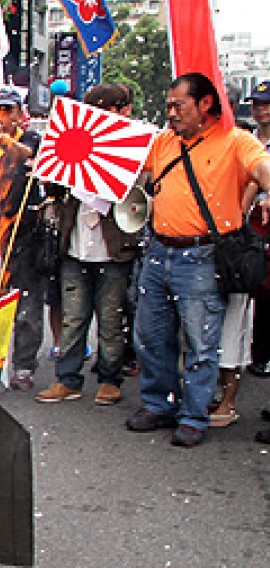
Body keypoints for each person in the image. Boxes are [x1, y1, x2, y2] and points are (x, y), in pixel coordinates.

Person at [127, 73, 270, 448]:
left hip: (203, 257)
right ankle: (159, 405)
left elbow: (261, 168)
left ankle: (194, 414)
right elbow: (134, 171)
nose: (170, 113)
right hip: (158, 252)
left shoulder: (237, 141)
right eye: (169, 106)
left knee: (200, 342)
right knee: (151, 338)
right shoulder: (164, 142)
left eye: (179, 106)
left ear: (205, 104)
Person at [34, 84, 143, 407]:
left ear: (122, 110)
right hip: (75, 243)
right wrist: (51, 164)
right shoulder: (75, 139)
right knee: (73, 316)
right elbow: (52, 186)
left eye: (107, 107)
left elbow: (137, 191)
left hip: (113, 247)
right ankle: (67, 379)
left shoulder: (130, 146)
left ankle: (110, 379)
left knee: (111, 318)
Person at [0, 88, 45, 390]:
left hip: (25, 232)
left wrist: (2, 137)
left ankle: (24, 365)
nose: (2, 116)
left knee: (27, 303)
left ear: (19, 113)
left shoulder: (31, 139)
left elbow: (27, 155)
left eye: (8, 110)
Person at [248, 80, 270, 379]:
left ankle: (263, 354)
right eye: (257, 103)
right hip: (247, 223)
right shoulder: (244, 140)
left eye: (266, 104)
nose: (261, 109)